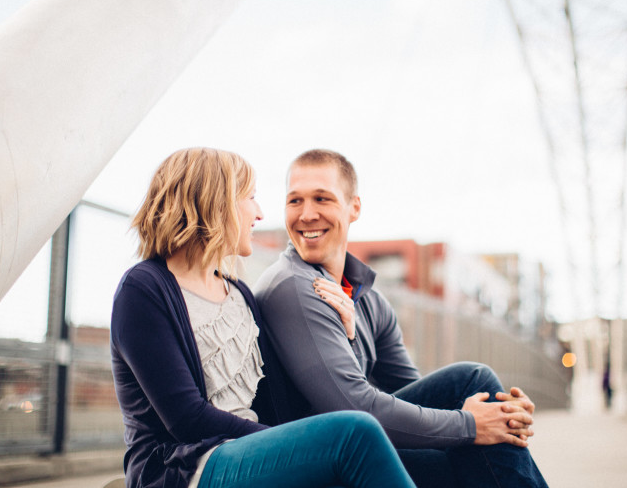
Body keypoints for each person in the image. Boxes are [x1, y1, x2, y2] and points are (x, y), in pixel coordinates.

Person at [110, 148, 416, 488]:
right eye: (250, 197)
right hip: (185, 470)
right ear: (216, 202)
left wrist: (348, 337)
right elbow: (187, 419)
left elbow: (280, 400)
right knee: (355, 433)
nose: (258, 213)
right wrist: (289, 442)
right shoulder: (144, 289)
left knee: (380, 444)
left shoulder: (240, 294)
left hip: (253, 455)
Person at [254, 149, 549, 487]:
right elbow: (351, 408)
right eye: (295, 201)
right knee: (470, 385)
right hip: (312, 464)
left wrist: (500, 413)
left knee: (476, 411)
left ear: (354, 208)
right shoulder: (293, 286)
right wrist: (471, 424)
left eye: (322, 199)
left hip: (354, 446)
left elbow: (409, 393)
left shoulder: (370, 300)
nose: (306, 214)